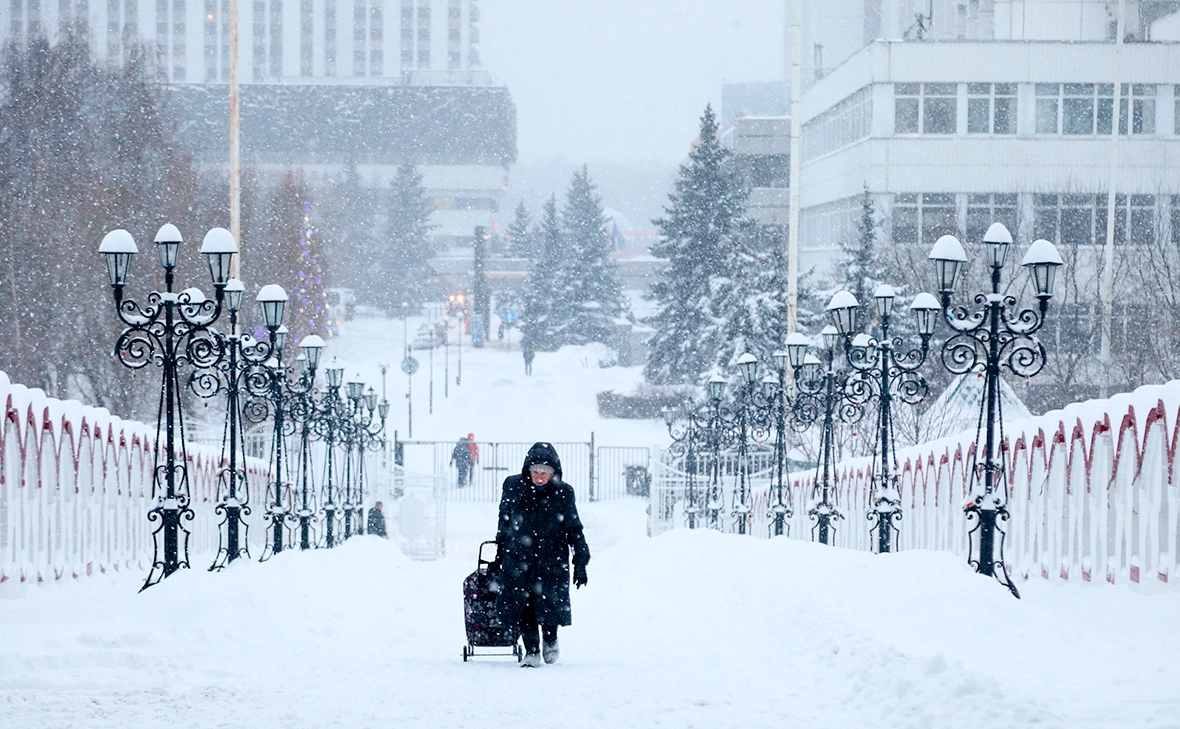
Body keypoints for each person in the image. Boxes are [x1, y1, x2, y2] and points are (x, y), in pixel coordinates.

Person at [493, 442, 590, 668]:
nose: (539, 477)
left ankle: (550, 638)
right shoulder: (514, 487)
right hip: (519, 557)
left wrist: (581, 562)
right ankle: (532, 650)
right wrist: (500, 550)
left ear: (553, 473)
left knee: (549, 602)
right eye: (535, 471)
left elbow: (574, 528)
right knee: (523, 603)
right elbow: (504, 520)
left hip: (552, 558)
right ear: (528, 470)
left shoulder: (563, 493)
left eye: (545, 473)